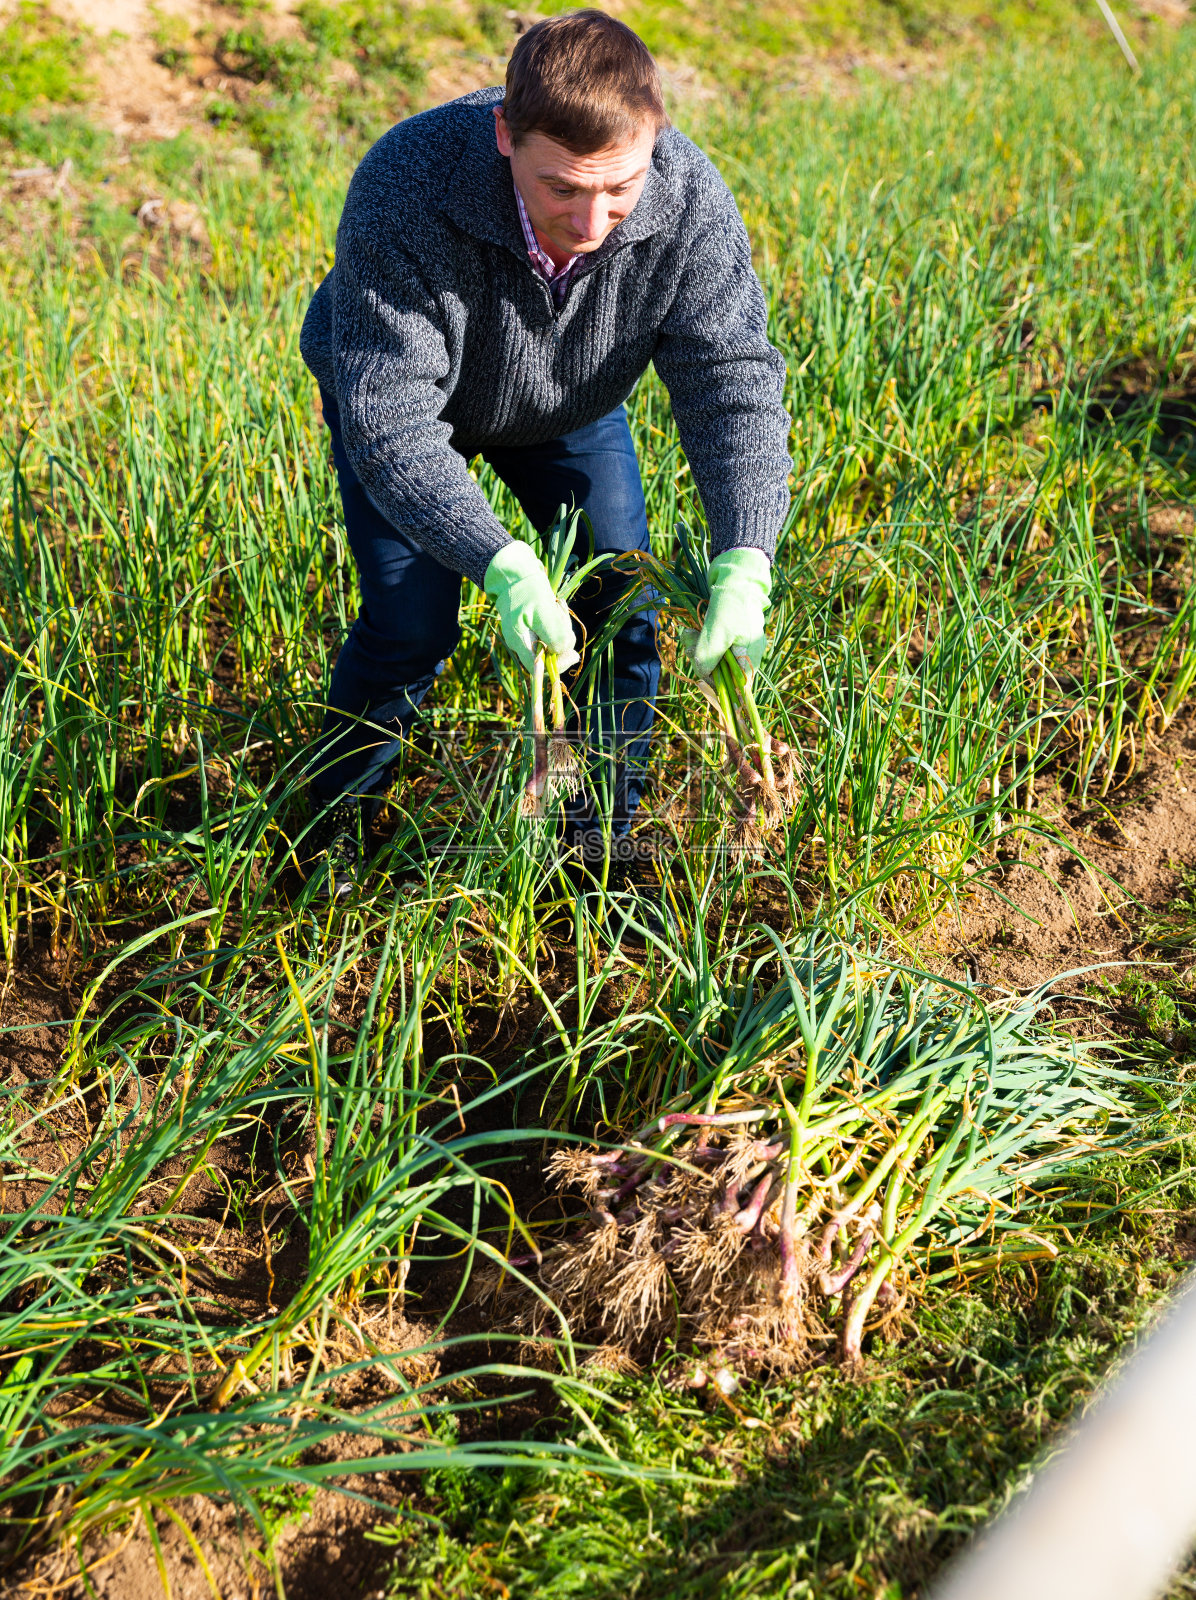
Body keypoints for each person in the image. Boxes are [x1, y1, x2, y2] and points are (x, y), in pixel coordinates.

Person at [299, 7, 791, 898]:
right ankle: (327, 836)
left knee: (623, 610)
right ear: (504, 135)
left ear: (655, 143)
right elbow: (390, 420)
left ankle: (602, 849)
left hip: (568, 403)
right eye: (561, 188)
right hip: (406, 409)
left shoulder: (687, 199)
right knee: (411, 630)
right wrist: (500, 562)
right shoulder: (407, 182)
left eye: (620, 188)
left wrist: (747, 557)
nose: (593, 218)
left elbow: (732, 381)